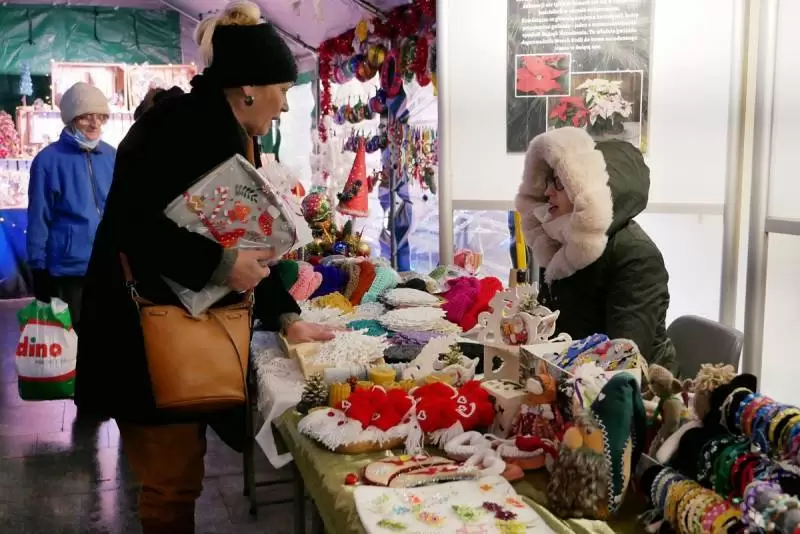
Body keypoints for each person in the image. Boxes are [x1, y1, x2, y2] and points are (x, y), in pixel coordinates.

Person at [75, 3, 335, 532]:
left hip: (174, 328)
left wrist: (286, 317)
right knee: (169, 484)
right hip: (140, 332)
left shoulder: (227, 131)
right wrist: (220, 265)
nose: (286, 104)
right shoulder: (175, 127)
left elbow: (248, 242)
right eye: (283, 89)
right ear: (248, 87)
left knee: (181, 476)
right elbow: (132, 226)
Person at [515, 126, 676, 372]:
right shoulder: (563, 239)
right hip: (568, 373)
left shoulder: (636, 256)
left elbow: (623, 360)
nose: (547, 192)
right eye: (548, 181)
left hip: (633, 389)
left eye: (559, 182)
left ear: (588, 191)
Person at [26, 82, 115, 332]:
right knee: (71, 342)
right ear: (71, 119)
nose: (94, 124)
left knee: (106, 339)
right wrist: (38, 268)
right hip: (68, 270)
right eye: (86, 116)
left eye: (100, 117)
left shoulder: (112, 156)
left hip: (108, 266)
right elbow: (38, 218)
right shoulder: (48, 161)